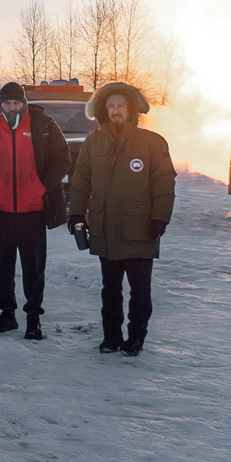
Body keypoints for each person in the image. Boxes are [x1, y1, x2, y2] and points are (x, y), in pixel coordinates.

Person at [66, 80, 175, 356]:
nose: (116, 111)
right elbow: (81, 181)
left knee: (140, 291)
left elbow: (164, 183)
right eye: (111, 106)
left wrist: (159, 218)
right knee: (110, 290)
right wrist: (77, 212)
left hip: (140, 229)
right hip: (105, 229)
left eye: (121, 106)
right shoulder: (93, 141)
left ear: (131, 110)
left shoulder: (152, 142)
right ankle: (111, 337)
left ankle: (136, 338)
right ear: (104, 109)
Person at [0, 81, 72, 341]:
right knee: (3, 266)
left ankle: (33, 319)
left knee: (33, 267)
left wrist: (41, 187)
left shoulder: (42, 124)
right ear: (0, 103)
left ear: (24, 103)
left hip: (33, 210)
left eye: (16, 102)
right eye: (7, 102)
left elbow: (63, 158)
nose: (12, 107)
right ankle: (8, 314)